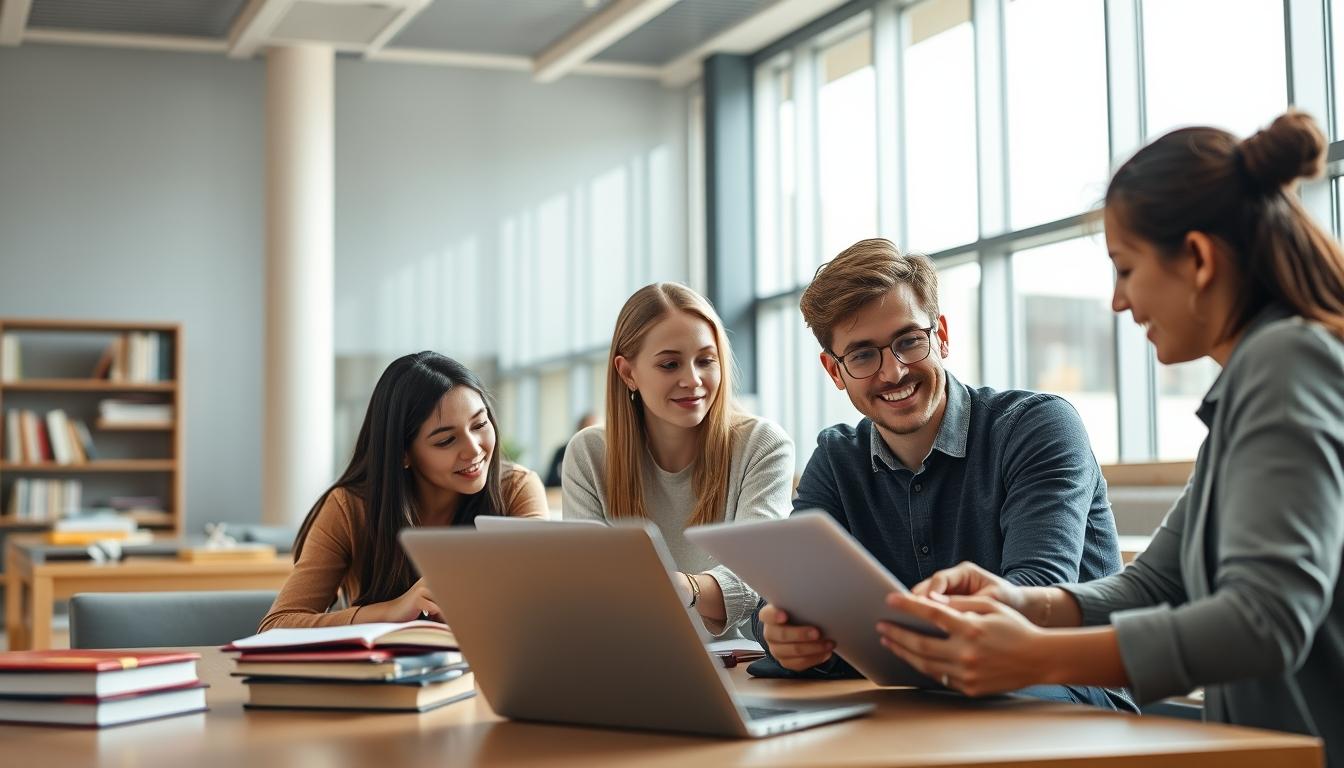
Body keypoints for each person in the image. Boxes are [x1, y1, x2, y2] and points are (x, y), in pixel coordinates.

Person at [876, 111, 1344, 759]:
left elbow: (1266, 620)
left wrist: (1039, 657)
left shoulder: (1285, 362)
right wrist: (1022, 605)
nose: (1118, 301)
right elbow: (1154, 586)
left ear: (1199, 258)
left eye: (1125, 268)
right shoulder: (1251, 386)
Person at [755, 238, 1131, 711]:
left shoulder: (1037, 426)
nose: (893, 372)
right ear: (835, 371)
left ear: (942, 337)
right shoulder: (836, 459)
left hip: (1063, 694)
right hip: (917, 701)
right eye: (863, 355)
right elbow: (785, 597)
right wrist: (785, 635)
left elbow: (1035, 592)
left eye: (909, 341)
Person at [562, 282, 794, 638]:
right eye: (670, 364)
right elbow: (586, 585)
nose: (692, 380)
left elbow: (758, 576)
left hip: (738, 662)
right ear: (627, 373)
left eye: (706, 360)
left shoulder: (762, 445)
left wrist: (680, 587)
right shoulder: (590, 454)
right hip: (627, 654)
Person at [260, 352, 548, 629]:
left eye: (480, 424)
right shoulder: (350, 506)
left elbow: (541, 605)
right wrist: (392, 611)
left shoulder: (515, 489)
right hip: (384, 663)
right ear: (403, 453)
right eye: (446, 440)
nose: (474, 449)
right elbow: (277, 625)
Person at [544, 412, 597, 488]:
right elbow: (550, 482)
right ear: (578, 430)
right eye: (585, 430)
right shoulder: (562, 451)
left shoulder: (600, 455)